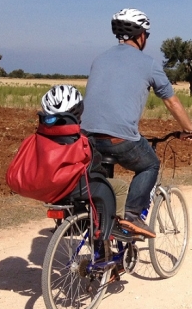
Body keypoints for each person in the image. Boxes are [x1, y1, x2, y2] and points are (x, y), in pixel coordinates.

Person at [81, 8, 192, 238]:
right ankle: (132, 215)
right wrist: (189, 129)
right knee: (150, 164)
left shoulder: (99, 59)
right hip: (119, 139)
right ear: (141, 35)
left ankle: (105, 257)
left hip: (86, 139)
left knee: (104, 195)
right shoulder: (148, 63)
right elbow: (172, 103)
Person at [40, 84, 129, 217]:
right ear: (78, 110)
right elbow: (94, 165)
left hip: (52, 185)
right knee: (120, 187)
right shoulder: (82, 137)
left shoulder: (44, 135)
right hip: (77, 185)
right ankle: (114, 228)